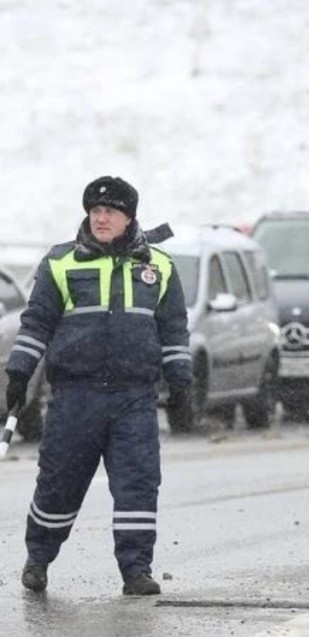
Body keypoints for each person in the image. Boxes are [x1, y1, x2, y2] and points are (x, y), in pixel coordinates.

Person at [3, 176, 192, 596]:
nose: (101, 217)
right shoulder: (61, 263)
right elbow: (36, 323)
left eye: (111, 211)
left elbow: (174, 329)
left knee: (139, 483)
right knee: (58, 483)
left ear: (128, 218)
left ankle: (136, 570)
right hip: (76, 396)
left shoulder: (158, 266)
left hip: (134, 398)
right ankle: (39, 558)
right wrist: (19, 371)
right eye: (95, 210)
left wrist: (181, 381)